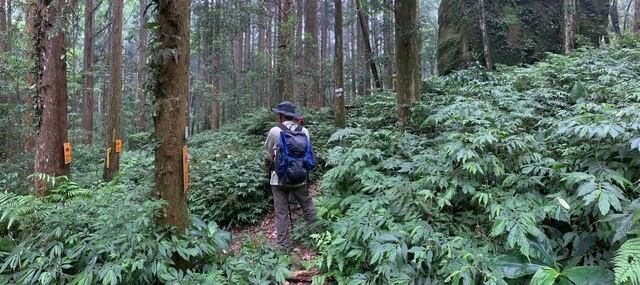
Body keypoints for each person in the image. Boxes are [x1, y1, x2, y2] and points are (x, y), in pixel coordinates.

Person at [264, 101, 317, 250]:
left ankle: (283, 246)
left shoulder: (275, 131)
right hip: (299, 177)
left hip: (278, 178)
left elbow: (269, 151)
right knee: (308, 206)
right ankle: (316, 238)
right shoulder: (303, 130)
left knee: (281, 213)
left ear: (281, 115)